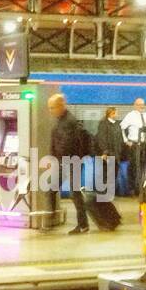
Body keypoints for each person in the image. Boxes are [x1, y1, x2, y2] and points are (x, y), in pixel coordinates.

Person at [48, 92, 92, 235]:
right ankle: (52, 219)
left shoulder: (69, 121)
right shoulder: (61, 120)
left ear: (61, 106)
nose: (51, 110)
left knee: (75, 194)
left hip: (72, 161)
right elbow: (56, 142)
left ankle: (83, 225)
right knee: (51, 188)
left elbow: (67, 144)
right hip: (64, 161)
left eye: (52, 107)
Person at [120, 97, 146, 193]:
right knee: (133, 166)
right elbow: (121, 127)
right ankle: (132, 188)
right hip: (134, 144)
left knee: (143, 166)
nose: (142, 106)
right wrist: (126, 140)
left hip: (144, 145)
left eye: (143, 104)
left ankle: (141, 187)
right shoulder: (130, 115)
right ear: (135, 105)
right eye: (140, 104)